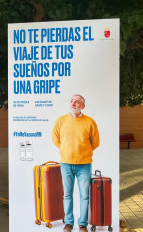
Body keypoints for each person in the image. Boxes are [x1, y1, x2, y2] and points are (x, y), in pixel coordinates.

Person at [52, 95, 100, 232]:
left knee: (84, 195)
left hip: (84, 164)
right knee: (67, 194)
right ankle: (68, 223)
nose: (73, 103)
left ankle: (83, 224)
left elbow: (96, 142)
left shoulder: (90, 122)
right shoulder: (61, 121)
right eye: (72, 101)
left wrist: (83, 151)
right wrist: (65, 150)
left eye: (77, 102)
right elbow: (55, 139)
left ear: (82, 106)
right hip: (66, 163)